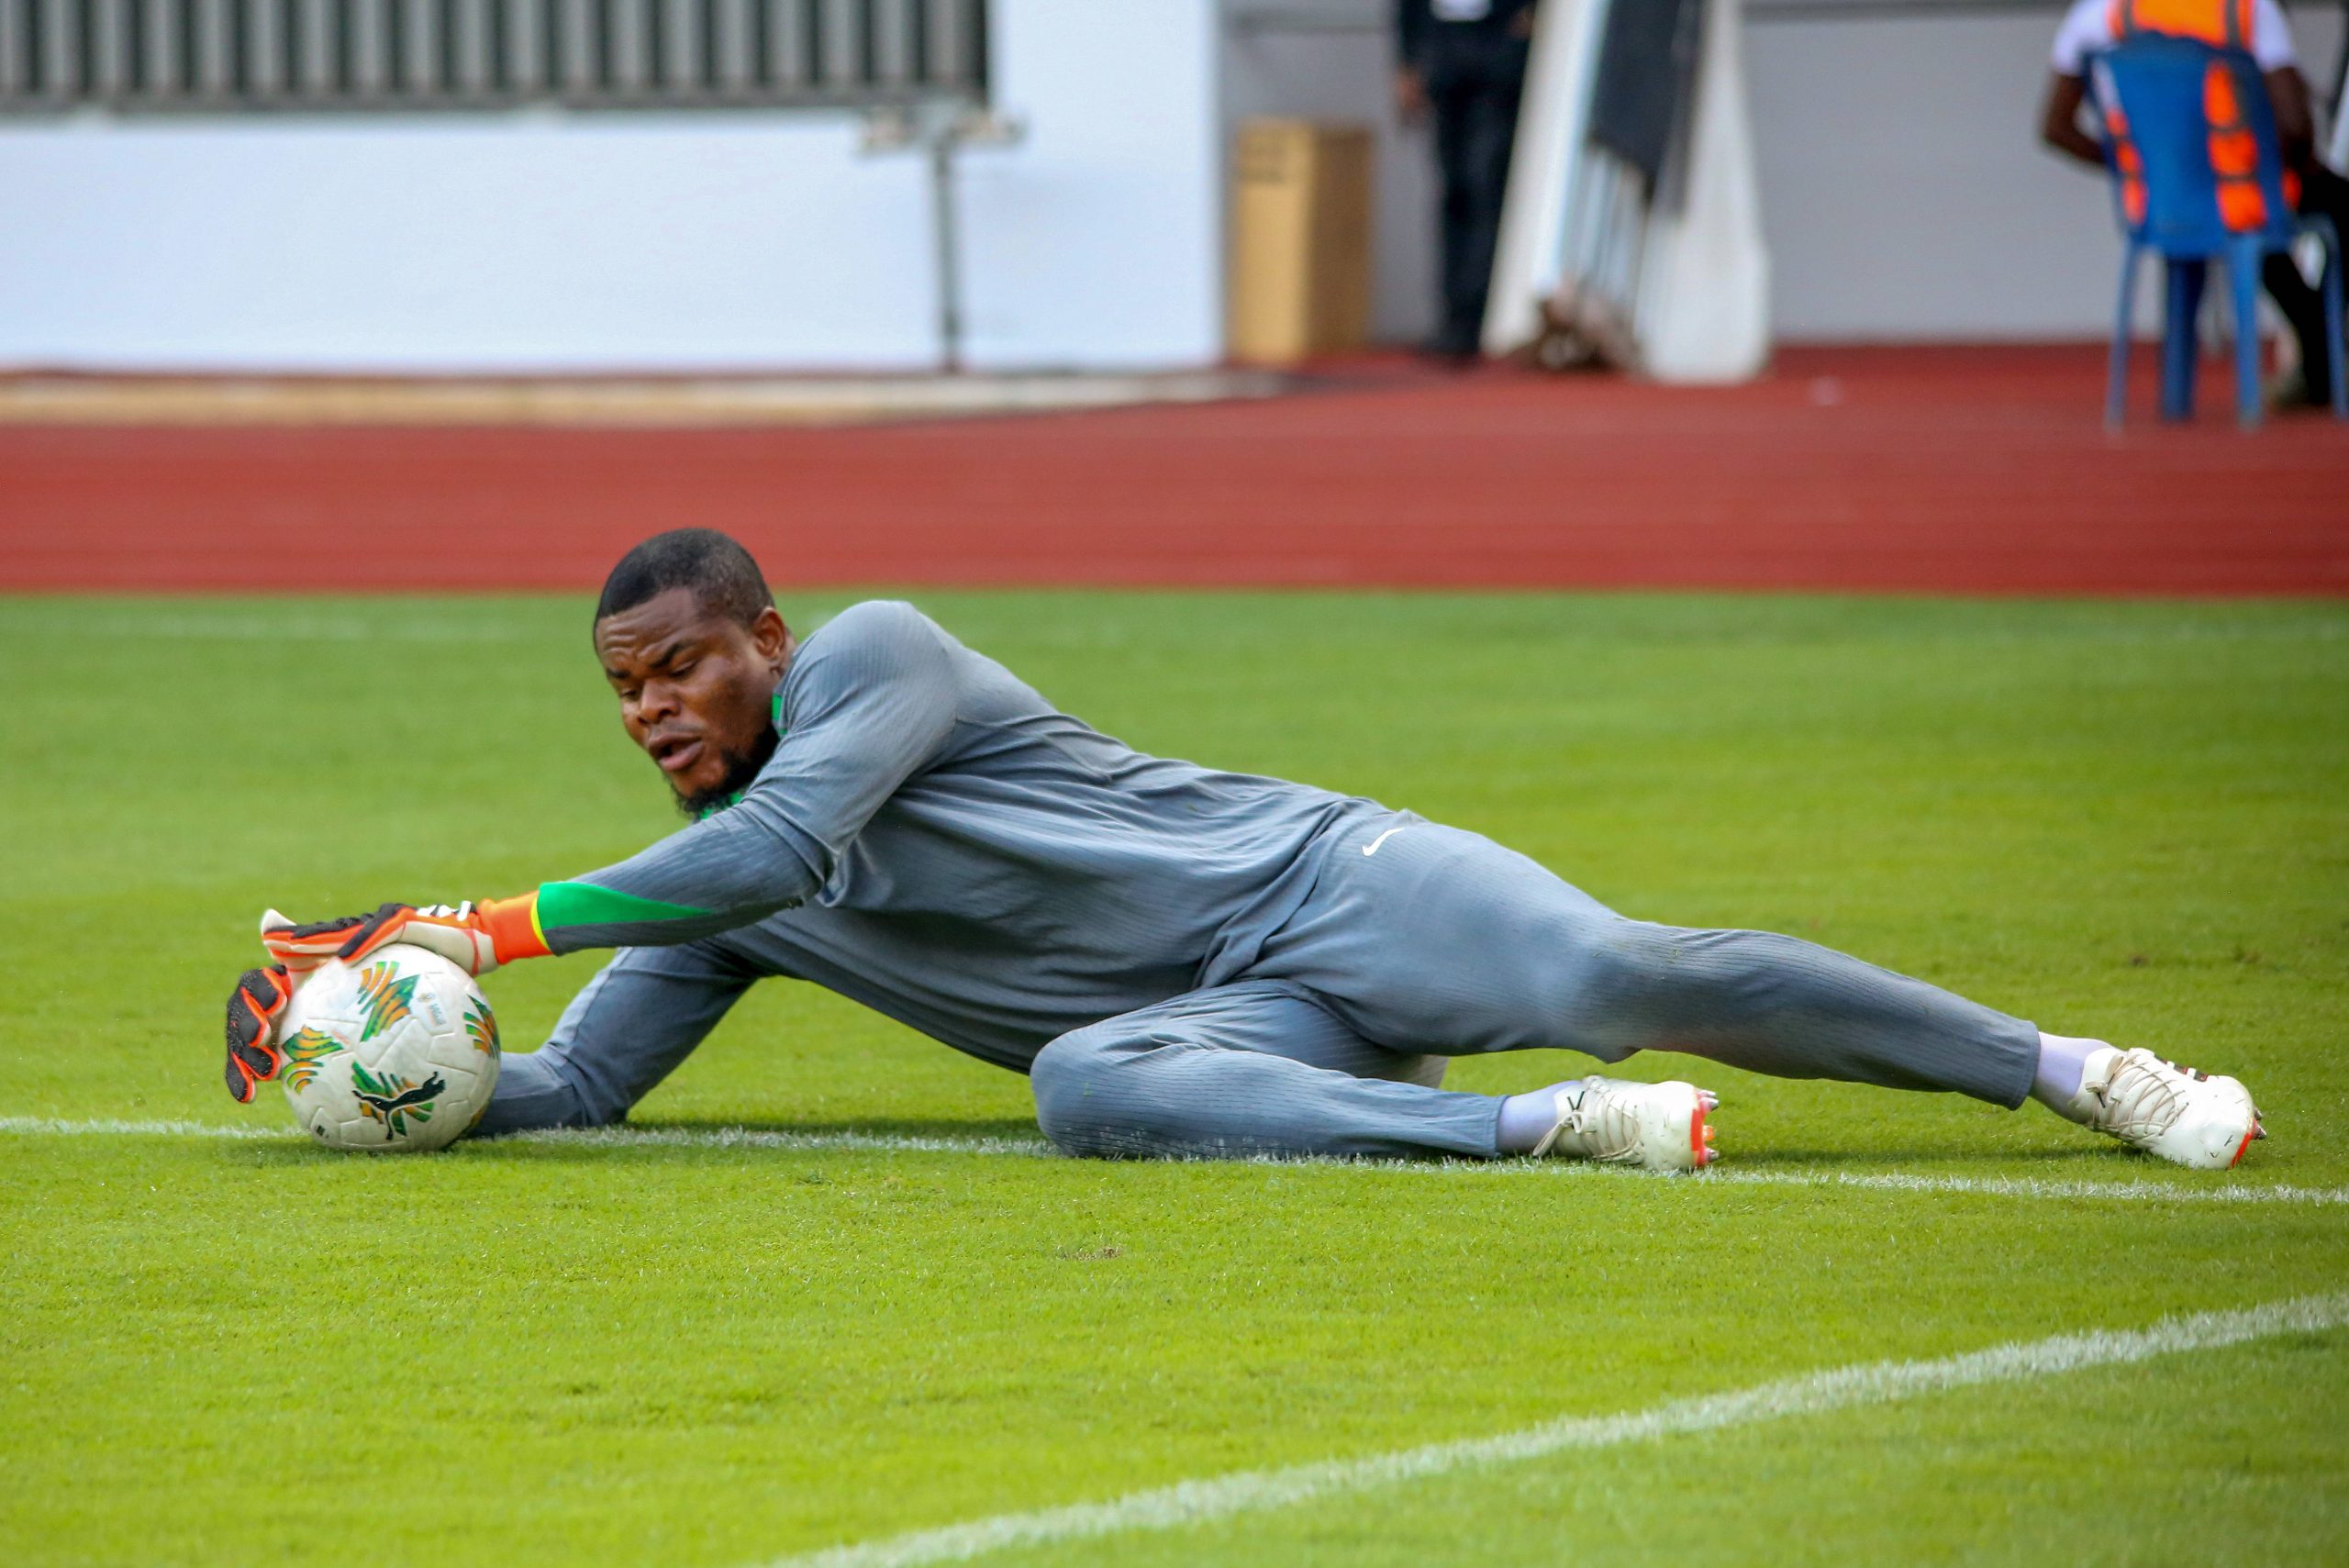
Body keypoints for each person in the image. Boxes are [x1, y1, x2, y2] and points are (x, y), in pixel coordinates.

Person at [224, 528, 2266, 1172]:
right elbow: (577, 1079)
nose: (655, 706)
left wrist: (478, 916)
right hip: (1228, 1020)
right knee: (1080, 1085)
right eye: (622, 693)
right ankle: (1542, 1134)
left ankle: (2070, 1066)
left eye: (678, 667)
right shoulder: (721, 886)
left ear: (765, 637)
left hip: (1328, 880)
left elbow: (780, 842)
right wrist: (359, 1047)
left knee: (1613, 961)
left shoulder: (875, 660)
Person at [2039, 0, 2349, 407]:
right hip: (2245, 192)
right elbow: (2296, 132)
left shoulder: (2096, 16)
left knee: (2250, 231)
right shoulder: (2249, 11)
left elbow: (2055, 128)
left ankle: (2317, 359)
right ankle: (2324, 348)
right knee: (2314, 209)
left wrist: (2145, 170)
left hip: (2158, 203)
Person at [1397, 0, 1539, 361]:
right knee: (1453, 192)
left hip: (1497, 57)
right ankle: (1453, 317)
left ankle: (1479, 317)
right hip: (1444, 57)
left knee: (1486, 188)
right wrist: (1408, 59)